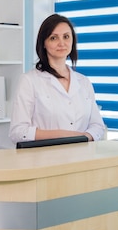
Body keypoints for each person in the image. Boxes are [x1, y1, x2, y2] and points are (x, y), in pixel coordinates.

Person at [8, 13, 107, 143]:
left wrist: (82, 138)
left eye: (66, 37)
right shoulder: (29, 81)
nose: (61, 43)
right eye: (53, 38)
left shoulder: (83, 82)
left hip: (82, 157)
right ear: (43, 43)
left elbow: (98, 126)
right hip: (45, 159)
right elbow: (18, 132)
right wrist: (65, 136)